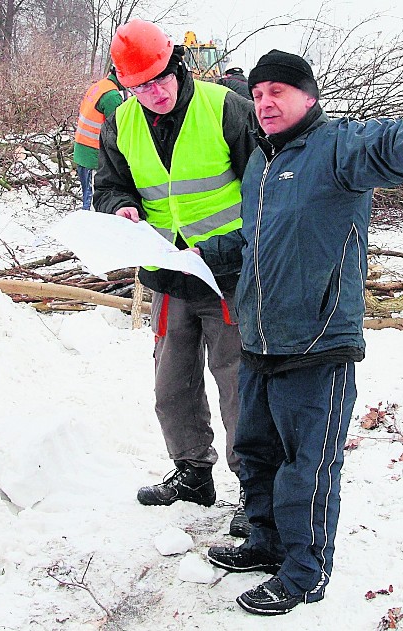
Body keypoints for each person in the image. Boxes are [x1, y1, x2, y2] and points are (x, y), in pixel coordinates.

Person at [196, 50, 403, 615]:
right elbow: (256, 243)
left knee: (309, 465)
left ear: (309, 97)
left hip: (318, 341)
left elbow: (383, 145)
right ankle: (266, 540)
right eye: (256, 94)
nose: (265, 102)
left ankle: (305, 573)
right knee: (256, 451)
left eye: (278, 90)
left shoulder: (335, 149)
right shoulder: (260, 162)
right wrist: (191, 254)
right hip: (259, 337)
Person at [93, 19, 257, 538]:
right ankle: (192, 472)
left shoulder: (225, 107)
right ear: (125, 86)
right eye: (140, 86)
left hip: (226, 273)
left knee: (238, 384)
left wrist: (241, 249)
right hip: (166, 271)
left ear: (176, 65)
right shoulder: (120, 123)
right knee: (172, 384)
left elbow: (266, 186)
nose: (154, 92)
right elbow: (110, 185)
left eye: (160, 79)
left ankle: (255, 489)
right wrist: (120, 208)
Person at [73, 68, 123, 210]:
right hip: (94, 156)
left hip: (83, 151)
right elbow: (118, 131)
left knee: (88, 198)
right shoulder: (112, 96)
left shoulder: (100, 86)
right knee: (95, 205)